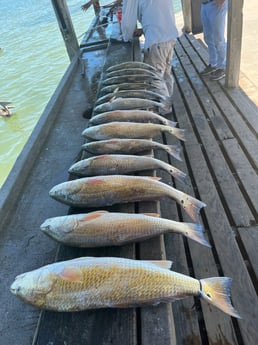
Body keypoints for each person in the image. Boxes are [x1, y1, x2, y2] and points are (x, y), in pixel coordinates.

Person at [121, 0, 179, 114]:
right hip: (171, 35)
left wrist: (126, 37)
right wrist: (144, 29)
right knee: (166, 72)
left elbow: (128, 25)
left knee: (155, 77)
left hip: (156, 40)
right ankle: (168, 98)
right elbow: (158, 13)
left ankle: (165, 109)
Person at [200, 0, 228, 81]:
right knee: (208, 38)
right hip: (204, 5)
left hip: (215, 4)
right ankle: (213, 64)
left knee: (219, 39)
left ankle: (223, 67)